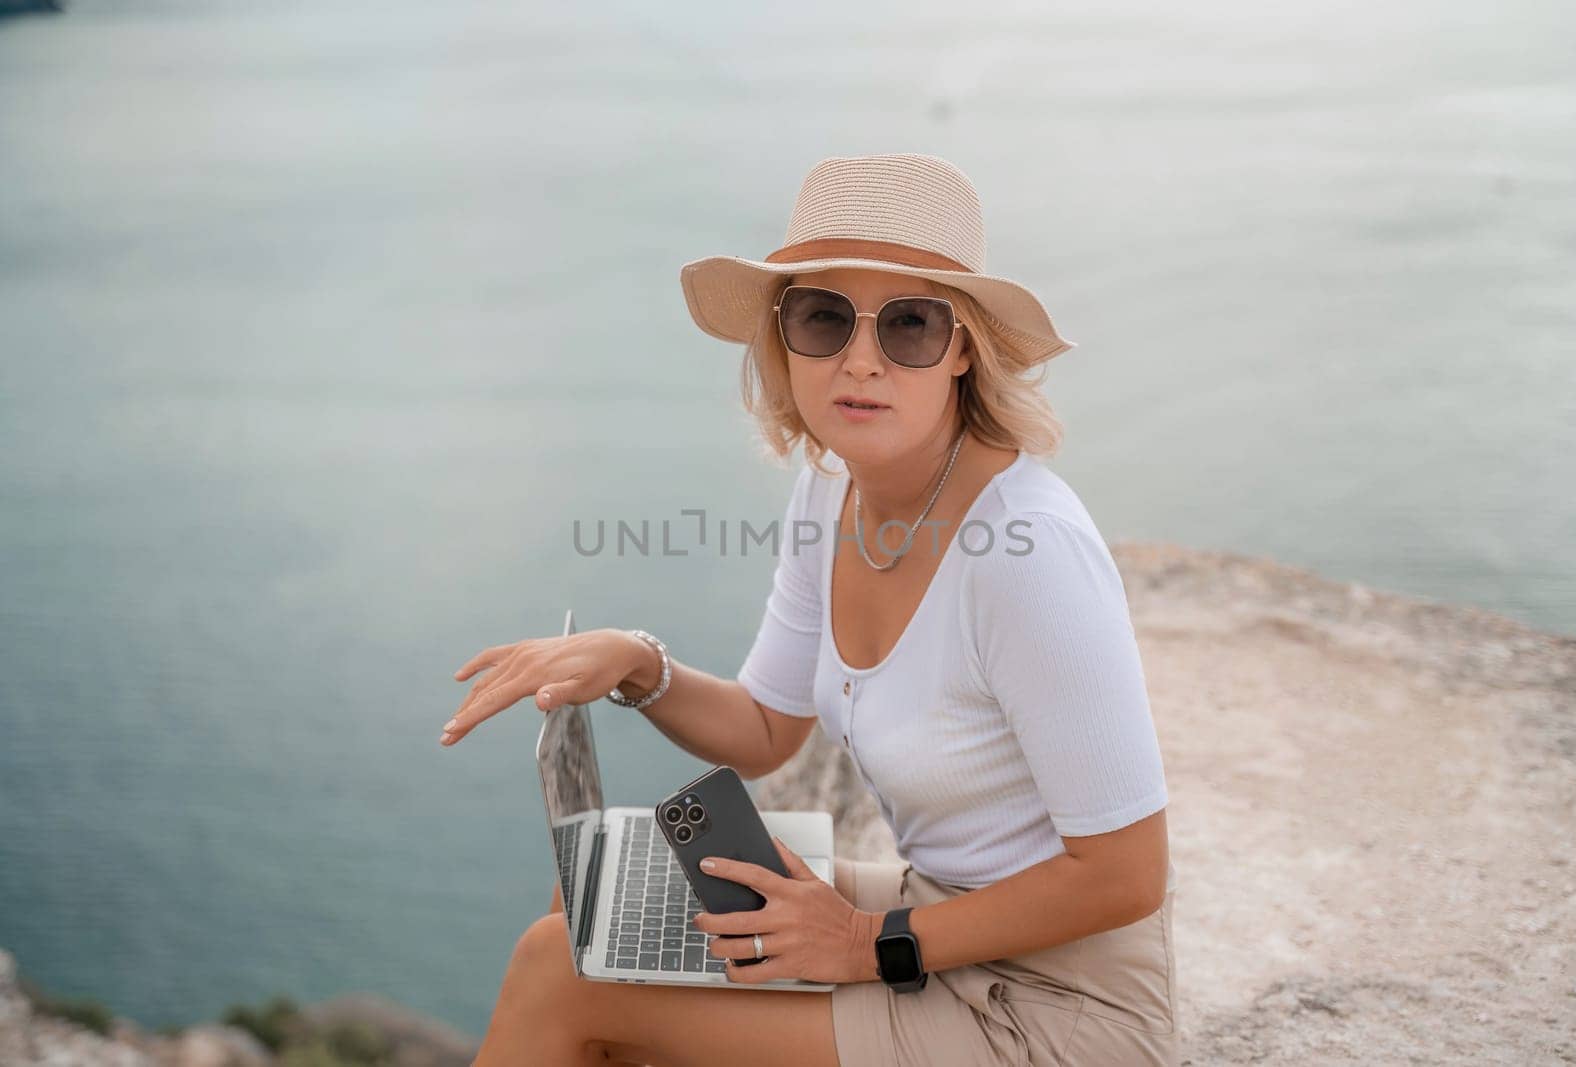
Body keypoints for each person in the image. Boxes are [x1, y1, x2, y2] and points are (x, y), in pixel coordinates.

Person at [441, 153, 1178, 1066]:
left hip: (1060, 1004)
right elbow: (765, 728)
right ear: (784, 339)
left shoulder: (1027, 553)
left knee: (563, 973)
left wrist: (868, 943)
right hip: (944, 916)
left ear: (961, 349)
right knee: (595, 907)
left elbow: (1127, 874)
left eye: (909, 323)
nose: (860, 360)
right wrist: (637, 661)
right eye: (824, 317)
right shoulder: (833, 496)